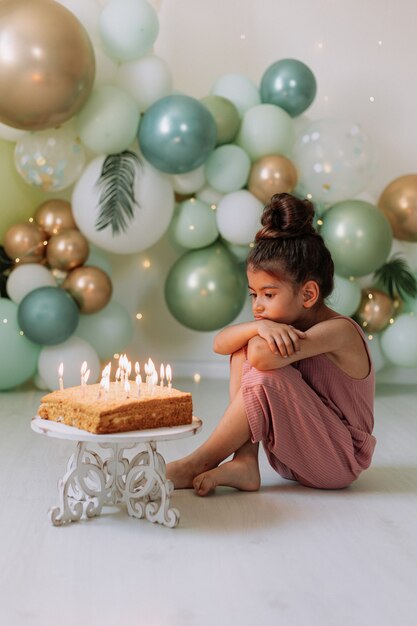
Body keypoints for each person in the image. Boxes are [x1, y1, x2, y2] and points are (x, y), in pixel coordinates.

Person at [167, 193, 376, 496]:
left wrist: (257, 333)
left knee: (263, 366)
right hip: (294, 456)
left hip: (339, 460)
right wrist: (257, 327)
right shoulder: (279, 326)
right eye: (254, 295)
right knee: (241, 348)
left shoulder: (340, 331)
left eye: (268, 294)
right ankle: (245, 461)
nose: (258, 306)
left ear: (308, 295)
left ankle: (198, 462)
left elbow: (263, 359)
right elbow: (220, 344)